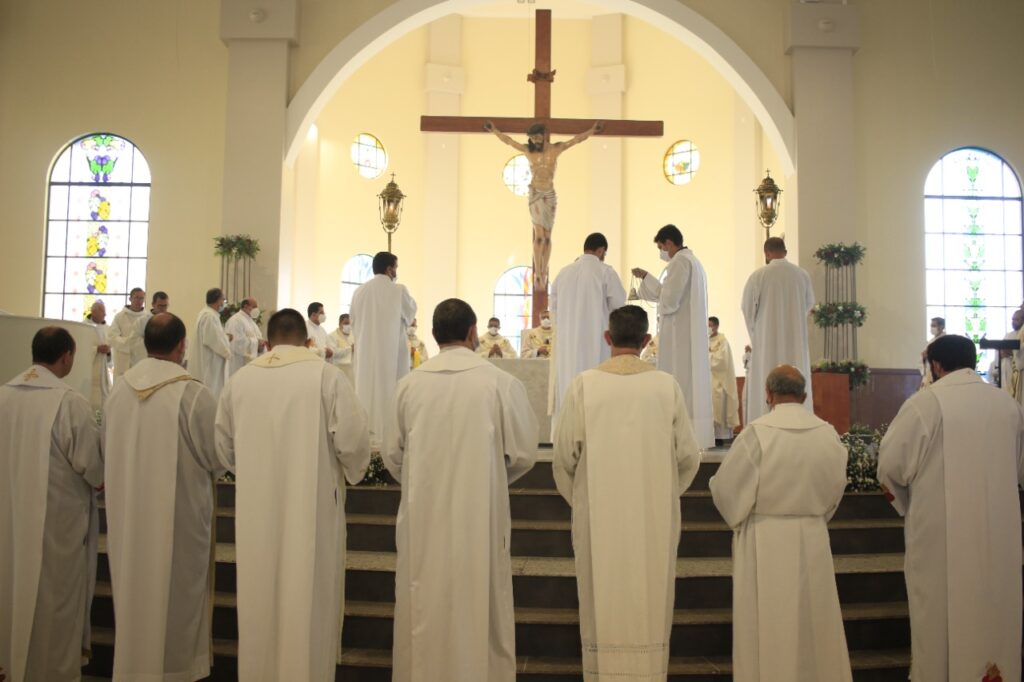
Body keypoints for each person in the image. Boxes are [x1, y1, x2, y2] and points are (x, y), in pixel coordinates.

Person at [384, 298, 537, 682]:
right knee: (480, 602)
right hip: (480, 517)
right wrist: (490, 476)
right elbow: (522, 453)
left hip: (423, 517)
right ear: (473, 333)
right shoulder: (500, 383)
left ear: (434, 337)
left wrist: (424, 480)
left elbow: (392, 456)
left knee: (424, 599)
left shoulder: (408, 386)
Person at [216, 308, 370, 682]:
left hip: (256, 510)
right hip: (311, 508)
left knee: (259, 592)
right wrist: (352, 472)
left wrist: (255, 472)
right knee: (309, 595)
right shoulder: (325, 377)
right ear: (308, 340)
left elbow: (223, 448)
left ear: (267, 342)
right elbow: (352, 443)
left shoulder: (240, 381)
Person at [552, 305, 700, 680]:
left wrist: (585, 498)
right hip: (653, 517)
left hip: (597, 517)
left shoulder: (584, 384)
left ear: (607, 338)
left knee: (601, 593)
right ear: (647, 341)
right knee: (650, 595)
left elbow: (564, 457)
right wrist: (661, 494)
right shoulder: (666, 386)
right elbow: (687, 457)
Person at [878, 335, 1024, 682]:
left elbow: (891, 466)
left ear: (937, 366)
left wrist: (907, 503)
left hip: (941, 536)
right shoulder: (1007, 405)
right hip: (999, 534)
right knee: (995, 609)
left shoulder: (925, 404)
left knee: (940, 617)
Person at [709, 365, 852, 682]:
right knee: (815, 622)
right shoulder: (827, 434)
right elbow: (834, 489)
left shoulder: (757, 434)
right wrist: (813, 515)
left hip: (765, 537)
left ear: (768, 395)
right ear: (803, 395)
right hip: (813, 534)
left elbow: (728, 490)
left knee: (769, 625)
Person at [103, 313, 224, 682]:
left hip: (128, 515)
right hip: (180, 519)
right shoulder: (193, 392)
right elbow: (217, 457)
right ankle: (175, 671)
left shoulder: (119, 390)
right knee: (178, 595)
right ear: (182, 345)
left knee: (134, 588)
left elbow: (106, 447)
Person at [0, 327, 103, 681]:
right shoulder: (69, 402)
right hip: (55, 530)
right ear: (66, 357)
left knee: (10, 594)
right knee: (53, 607)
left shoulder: (3, 395)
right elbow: (93, 467)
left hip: (9, 522)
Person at [484, 119, 603, 288]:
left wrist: (592, 130)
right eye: (532, 138)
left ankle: (544, 269)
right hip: (535, 194)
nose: (535, 141)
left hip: (549, 194)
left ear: (544, 136)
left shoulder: (555, 149)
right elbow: (509, 141)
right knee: (539, 235)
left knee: (547, 237)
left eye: (537, 137)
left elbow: (576, 140)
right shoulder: (528, 151)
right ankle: (537, 272)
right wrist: (494, 130)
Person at [632, 224, 714, 448]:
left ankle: (679, 435)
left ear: (669, 243)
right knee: (688, 381)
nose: (661, 252)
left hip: (680, 336)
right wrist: (648, 277)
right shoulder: (693, 262)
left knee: (680, 379)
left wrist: (651, 288)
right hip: (688, 334)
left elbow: (669, 300)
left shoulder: (680, 262)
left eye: (661, 247)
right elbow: (667, 292)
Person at [550, 232, 627, 422]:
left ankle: (566, 435)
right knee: (596, 388)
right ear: (601, 250)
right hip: (597, 341)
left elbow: (554, 311)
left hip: (567, 344)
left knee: (569, 387)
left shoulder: (563, 273)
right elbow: (618, 306)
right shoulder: (605, 271)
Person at [741, 237, 815, 424]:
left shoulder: (758, 276)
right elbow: (808, 305)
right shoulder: (802, 275)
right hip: (795, 343)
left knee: (766, 378)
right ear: (786, 252)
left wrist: (757, 335)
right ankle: (799, 424)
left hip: (767, 344)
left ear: (767, 254)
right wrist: (794, 324)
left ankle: (765, 426)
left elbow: (747, 308)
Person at [351, 251, 417, 449]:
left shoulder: (359, 292)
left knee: (367, 392)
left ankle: (367, 439)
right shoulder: (399, 291)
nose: (396, 272)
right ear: (389, 268)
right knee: (391, 392)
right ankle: (391, 441)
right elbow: (411, 313)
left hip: (366, 355)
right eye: (395, 267)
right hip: (392, 356)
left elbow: (353, 321)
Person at [188, 288, 232, 399]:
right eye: (223, 299)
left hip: (212, 361)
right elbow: (213, 339)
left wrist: (224, 337)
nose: (223, 303)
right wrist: (227, 341)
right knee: (211, 393)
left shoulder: (209, 314)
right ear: (217, 300)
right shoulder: (209, 316)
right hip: (210, 363)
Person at [708, 316, 740, 444]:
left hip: (719, 380)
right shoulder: (704, 340)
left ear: (716, 326)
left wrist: (707, 355)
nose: (708, 328)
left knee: (718, 403)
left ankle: (721, 437)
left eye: (710, 325)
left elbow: (722, 361)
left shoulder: (722, 341)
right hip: (708, 379)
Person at [109, 287, 148, 378]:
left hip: (141, 359)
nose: (139, 301)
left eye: (141, 298)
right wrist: (129, 342)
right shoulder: (120, 317)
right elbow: (112, 337)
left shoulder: (147, 317)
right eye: (137, 297)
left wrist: (139, 343)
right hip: (123, 361)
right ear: (130, 298)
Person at [225, 297, 266, 377]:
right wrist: (257, 343)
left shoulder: (250, 321)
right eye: (254, 306)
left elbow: (259, 338)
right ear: (246, 306)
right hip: (238, 363)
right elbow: (236, 342)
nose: (256, 309)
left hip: (250, 364)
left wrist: (261, 346)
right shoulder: (236, 320)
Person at [86, 299, 112, 411]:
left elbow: (112, 347)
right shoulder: (84, 327)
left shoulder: (108, 328)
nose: (105, 314)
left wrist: (109, 352)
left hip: (103, 371)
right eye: (103, 311)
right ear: (94, 312)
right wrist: (96, 349)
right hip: (90, 371)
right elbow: (81, 349)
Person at [1000, 308, 1024, 395]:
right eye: (1012, 319)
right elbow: (1000, 354)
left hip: (1019, 373)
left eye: (1016, 319)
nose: (1013, 322)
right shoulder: (1008, 335)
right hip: (1007, 370)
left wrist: (1011, 352)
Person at [919, 316, 946, 388]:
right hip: (929, 371)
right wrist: (924, 356)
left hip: (938, 373)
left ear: (942, 326)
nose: (931, 328)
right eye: (931, 326)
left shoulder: (945, 340)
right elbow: (924, 357)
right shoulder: (931, 340)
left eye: (934, 325)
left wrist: (929, 354)